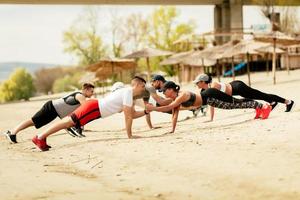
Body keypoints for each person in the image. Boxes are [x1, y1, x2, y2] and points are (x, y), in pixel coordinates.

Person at [31, 76, 148, 151]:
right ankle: (40, 137)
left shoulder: (127, 93)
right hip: (94, 108)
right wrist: (130, 136)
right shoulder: (128, 92)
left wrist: (146, 111)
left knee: (67, 123)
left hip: (95, 109)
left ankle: (41, 137)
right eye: (142, 86)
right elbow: (128, 116)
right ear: (136, 85)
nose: (143, 89)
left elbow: (131, 115)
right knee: (67, 123)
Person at [146, 81, 271, 133]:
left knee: (235, 103)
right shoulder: (174, 98)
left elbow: (169, 107)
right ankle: (258, 108)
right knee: (233, 105)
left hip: (211, 95)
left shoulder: (181, 95)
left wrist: (154, 109)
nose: (163, 93)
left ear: (170, 89)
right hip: (209, 100)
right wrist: (172, 130)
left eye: (164, 91)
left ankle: (263, 106)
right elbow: (174, 113)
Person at [3, 83, 95, 143]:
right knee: (33, 121)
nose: (92, 93)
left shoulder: (80, 95)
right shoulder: (80, 95)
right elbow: (85, 108)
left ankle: (72, 129)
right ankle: (12, 133)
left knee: (34, 123)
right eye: (91, 91)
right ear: (86, 90)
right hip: (51, 108)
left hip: (55, 111)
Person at [193, 74, 294, 121]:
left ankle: (288, 102)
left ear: (203, 82)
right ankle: (272, 103)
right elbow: (212, 104)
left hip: (238, 87)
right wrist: (211, 118)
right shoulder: (207, 89)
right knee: (261, 96)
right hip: (236, 89)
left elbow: (223, 98)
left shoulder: (213, 85)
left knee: (262, 95)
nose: (196, 84)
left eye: (197, 82)